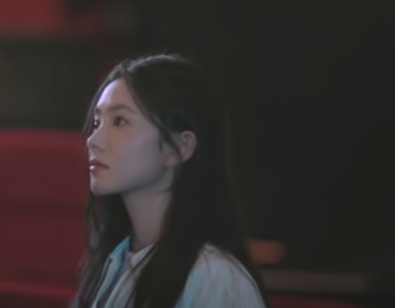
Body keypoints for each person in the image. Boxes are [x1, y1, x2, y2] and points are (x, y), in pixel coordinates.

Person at [73, 54, 268, 308]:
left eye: (119, 121)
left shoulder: (214, 278)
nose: (93, 140)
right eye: (97, 122)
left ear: (179, 147)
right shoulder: (112, 263)